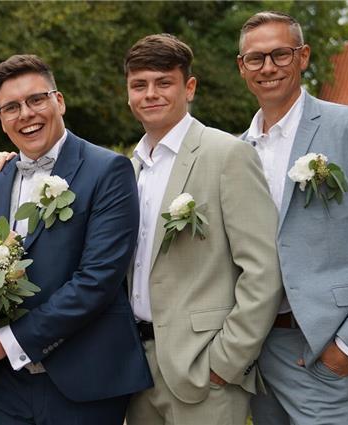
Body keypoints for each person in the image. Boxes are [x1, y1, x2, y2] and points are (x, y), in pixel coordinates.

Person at [236, 11, 348, 425]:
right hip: (255, 349)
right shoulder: (237, 149)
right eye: (255, 58)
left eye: (280, 54)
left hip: (321, 348)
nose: (268, 68)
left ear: (303, 57)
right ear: (241, 67)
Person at [0, 54, 152, 424]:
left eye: (36, 99)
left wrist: (7, 344)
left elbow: (96, 281)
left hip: (86, 380)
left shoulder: (108, 170)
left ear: (58, 101)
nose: (26, 114)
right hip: (5, 387)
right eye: (12, 107)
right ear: (2, 120)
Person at [120, 33, 283, 425]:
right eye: (139, 85)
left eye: (163, 82)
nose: (150, 94)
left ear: (188, 87)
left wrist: (226, 361)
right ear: (127, 93)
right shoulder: (130, 166)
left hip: (203, 369)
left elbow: (263, 270)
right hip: (135, 369)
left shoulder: (228, 154)